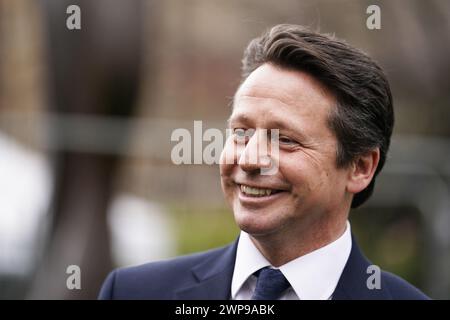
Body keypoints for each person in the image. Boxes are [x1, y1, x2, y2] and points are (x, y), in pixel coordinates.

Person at [98, 24, 429, 300]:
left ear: (360, 167)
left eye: (285, 139)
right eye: (241, 133)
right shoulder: (132, 293)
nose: (250, 159)